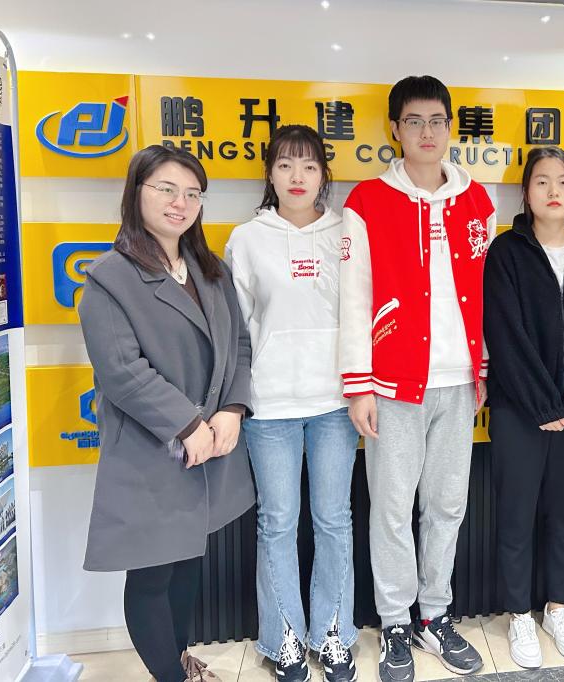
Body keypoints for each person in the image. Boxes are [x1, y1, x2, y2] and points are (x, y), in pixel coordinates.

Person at [78, 145, 255, 682]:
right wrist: (187, 424)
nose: (181, 203)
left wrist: (232, 409)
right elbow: (121, 370)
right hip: (151, 449)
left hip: (210, 448)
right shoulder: (110, 277)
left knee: (186, 562)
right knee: (152, 573)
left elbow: (240, 345)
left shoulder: (209, 270)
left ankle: (179, 659)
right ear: (137, 194)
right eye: (167, 190)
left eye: (193, 193)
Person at [338, 75, 494, 682]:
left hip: (459, 380)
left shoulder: (478, 201)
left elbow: (485, 294)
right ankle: (395, 622)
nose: (427, 132)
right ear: (395, 129)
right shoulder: (367, 201)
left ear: (450, 127)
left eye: (436, 121)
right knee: (391, 508)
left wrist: (482, 368)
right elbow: (354, 298)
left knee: (447, 505)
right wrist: (358, 384)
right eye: (414, 121)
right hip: (393, 384)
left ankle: (435, 614)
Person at [225, 125, 359, 682]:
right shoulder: (247, 239)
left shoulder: (348, 230)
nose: (297, 177)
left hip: (335, 403)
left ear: (324, 174)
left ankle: (334, 634)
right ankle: (283, 638)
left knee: (334, 520)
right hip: (271, 405)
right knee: (277, 523)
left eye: (308, 166)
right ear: (270, 174)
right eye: (285, 165)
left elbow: (361, 311)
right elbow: (236, 327)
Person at [483, 146, 564, 669]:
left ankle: (557, 608)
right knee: (516, 513)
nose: (553, 191)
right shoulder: (506, 252)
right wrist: (542, 404)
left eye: (563, 181)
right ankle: (519, 614)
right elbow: (505, 335)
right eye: (542, 182)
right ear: (526, 192)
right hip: (519, 410)